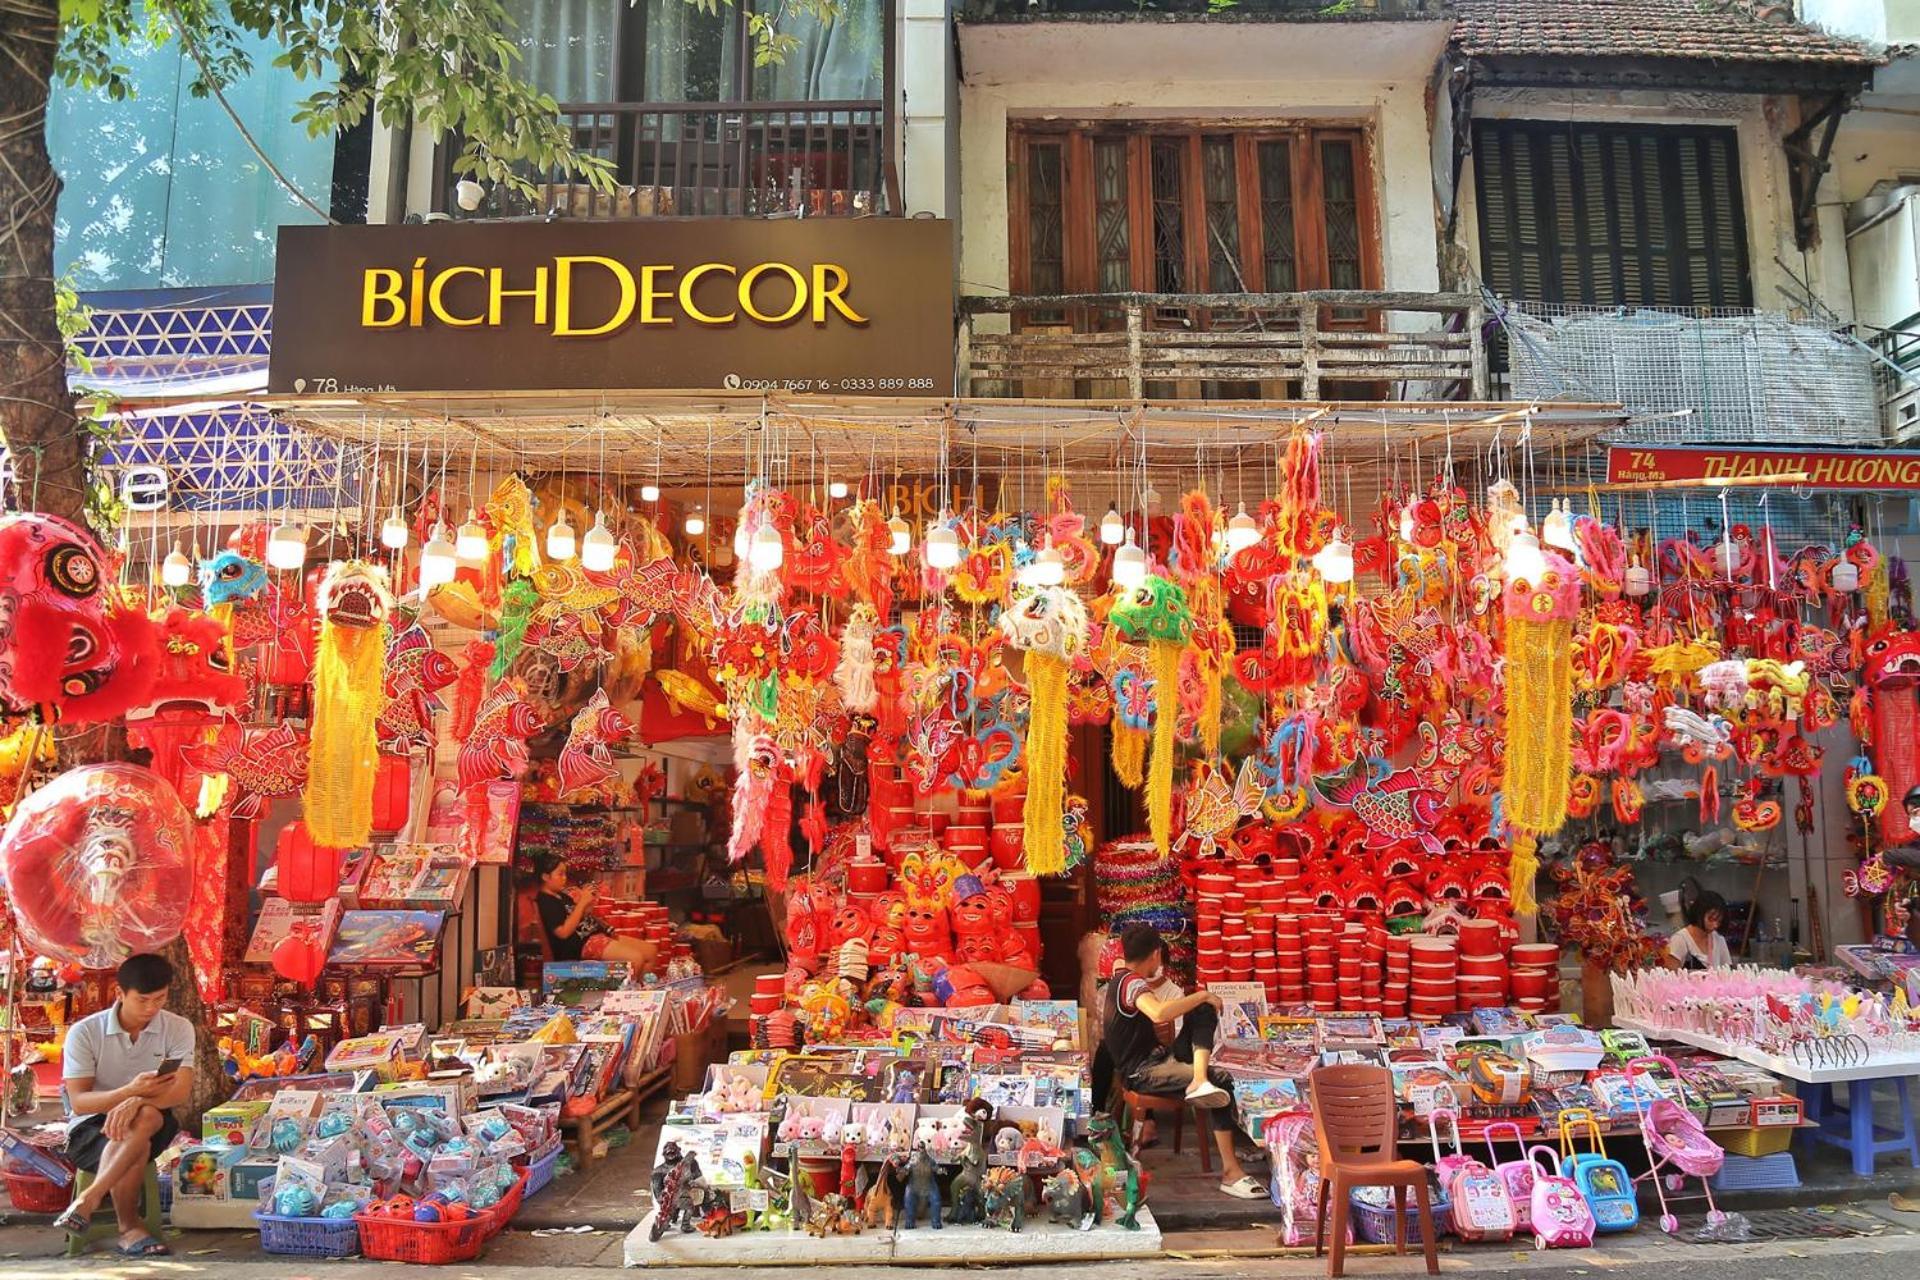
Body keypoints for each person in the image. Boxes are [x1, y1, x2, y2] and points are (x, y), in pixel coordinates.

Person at [1103, 923, 1266, 1199]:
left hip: (1160, 1057)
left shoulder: (1124, 979)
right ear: (1156, 954)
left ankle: (1199, 1079)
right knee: (1221, 1081)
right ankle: (1231, 1172)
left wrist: (1200, 1000)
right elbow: (1158, 1013)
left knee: (1203, 1009)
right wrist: (1201, 993)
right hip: (1143, 1072)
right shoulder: (1130, 983)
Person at [53, 953, 194, 1255]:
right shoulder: (86, 1033)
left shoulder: (178, 1028)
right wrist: (127, 1092)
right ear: (120, 994)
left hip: (154, 1116)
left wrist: (135, 1099)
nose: (152, 1008)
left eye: (160, 999)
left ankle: (89, 1200)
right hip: (89, 1128)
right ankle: (128, 1227)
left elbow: (179, 1091)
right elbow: (79, 1102)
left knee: (145, 1117)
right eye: (142, 1000)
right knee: (137, 1141)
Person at [529, 853, 658, 968]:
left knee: (651, 951)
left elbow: (577, 916)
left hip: (595, 935)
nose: (564, 878)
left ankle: (641, 989)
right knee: (636, 959)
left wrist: (588, 903)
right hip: (582, 944)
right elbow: (563, 932)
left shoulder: (561, 895)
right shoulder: (546, 901)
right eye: (560, 874)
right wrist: (582, 903)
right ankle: (628, 992)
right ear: (545, 877)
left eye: (565, 874)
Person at [1663, 889, 1732, 970]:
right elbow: (1670, 975)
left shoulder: (1719, 939)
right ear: (1699, 914)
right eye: (1711, 919)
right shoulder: (1680, 939)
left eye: (1719, 921)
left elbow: (1728, 972)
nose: (1715, 925)